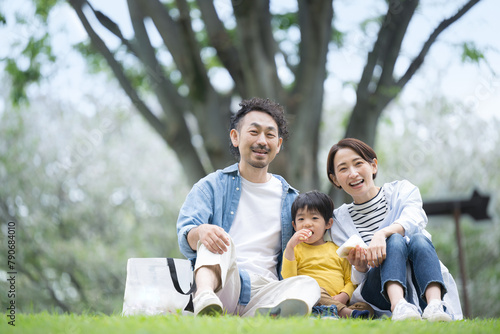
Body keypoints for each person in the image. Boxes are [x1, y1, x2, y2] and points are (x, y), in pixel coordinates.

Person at [177, 97, 320, 317]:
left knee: (309, 284)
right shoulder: (211, 186)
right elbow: (185, 235)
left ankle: (263, 315)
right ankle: (204, 298)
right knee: (214, 236)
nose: (262, 141)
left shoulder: (292, 199)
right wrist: (201, 231)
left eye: (270, 135)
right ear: (235, 137)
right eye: (254, 132)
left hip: (268, 289)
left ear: (278, 145)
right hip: (223, 283)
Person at [326, 138, 463, 321]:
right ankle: (398, 305)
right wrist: (359, 266)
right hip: (377, 293)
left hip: (419, 283)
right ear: (335, 179)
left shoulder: (402, 191)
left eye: (358, 164)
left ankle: (435, 305)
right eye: (343, 169)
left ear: (373, 166)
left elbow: (415, 219)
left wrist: (382, 233)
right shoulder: (338, 222)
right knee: (395, 241)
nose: (353, 173)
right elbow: (356, 278)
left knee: (417, 238)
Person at [281, 190, 373, 319]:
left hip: (338, 299)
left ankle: (330, 312)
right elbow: (289, 279)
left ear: (328, 224)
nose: (307, 223)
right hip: (311, 297)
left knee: (366, 307)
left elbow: (351, 281)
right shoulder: (294, 250)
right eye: (301, 219)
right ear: (294, 226)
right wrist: (290, 246)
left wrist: (344, 295)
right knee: (313, 290)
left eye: (314, 218)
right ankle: (344, 314)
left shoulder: (339, 250)